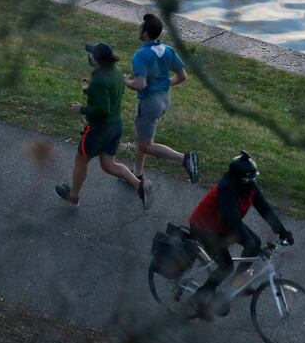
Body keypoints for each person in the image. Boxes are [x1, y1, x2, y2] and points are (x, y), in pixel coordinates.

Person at [188, 151, 293, 315]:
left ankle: (235, 286)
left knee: (255, 243)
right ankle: (198, 297)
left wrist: (282, 231)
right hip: (205, 227)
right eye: (248, 179)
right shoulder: (226, 190)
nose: (252, 182)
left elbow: (264, 208)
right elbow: (234, 221)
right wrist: (249, 242)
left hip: (224, 226)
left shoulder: (249, 188)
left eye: (253, 178)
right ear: (237, 179)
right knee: (226, 266)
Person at [55, 42, 149, 207]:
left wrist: (82, 109)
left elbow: (103, 110)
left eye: (92, 54)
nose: (90, 56)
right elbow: (114, 93)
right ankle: (139, 185)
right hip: (115, 126)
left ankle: (73, 196)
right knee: (109, 164)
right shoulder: (117, 72)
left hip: (99, 130)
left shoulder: (99, 79)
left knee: (81, 161)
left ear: (97, 60)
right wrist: (91, 91)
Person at [123, 13, 198, 183]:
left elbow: (140, 84)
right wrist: (165, 84)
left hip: (149, 102)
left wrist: (127, 81)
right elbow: (182, 76)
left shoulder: (141, 55)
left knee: (145, 145)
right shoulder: (168, 51)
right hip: (164, 99)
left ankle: (185, 159)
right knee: (145, 137)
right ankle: (137, 173)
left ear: (145, 33)